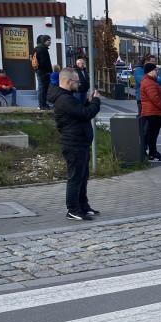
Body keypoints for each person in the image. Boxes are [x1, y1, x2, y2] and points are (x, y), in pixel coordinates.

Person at [49, 67, 101, 221]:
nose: (79, 84)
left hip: (80, 142)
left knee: (83, 177)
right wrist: (96, 102)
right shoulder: (64, 99)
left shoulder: (68, 97)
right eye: (77, 82)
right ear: (67, 81)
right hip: (73, 144)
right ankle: (73, 209)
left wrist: (88, 101)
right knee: (75, 178)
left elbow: (78, 112)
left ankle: (83, 206)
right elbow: (86, 114)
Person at [140, 60, 161, 162]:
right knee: (153, 134)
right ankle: (152, 154)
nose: (156, 72)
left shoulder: (150, 81)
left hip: (151, 111)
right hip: (153, 112)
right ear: (150, 71)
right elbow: (155, 98)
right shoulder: (149, 82)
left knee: (152, 134)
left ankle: (153, 152)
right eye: (155, 70)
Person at [34, 34, 53, 111]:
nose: (50, 42)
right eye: (48, 40)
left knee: (41, 88)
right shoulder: (42, 49)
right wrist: (48, 71)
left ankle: (42, 104)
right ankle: (43, 105)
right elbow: (43, 62)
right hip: (43, 72)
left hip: (39, 72)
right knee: (43, 89)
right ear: (44, 41)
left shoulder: (37, 48)